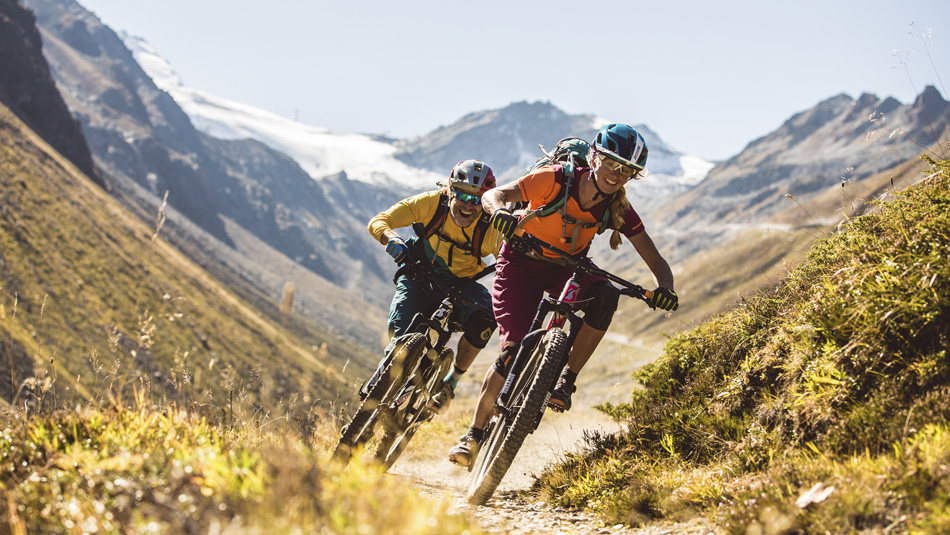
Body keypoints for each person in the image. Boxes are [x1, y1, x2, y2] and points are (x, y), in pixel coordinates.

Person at [448, 124, 680, 467]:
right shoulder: (554, 179)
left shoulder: (617, 208)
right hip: (520, 264)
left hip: (566, 267)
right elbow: (493, 197)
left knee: (606, 296)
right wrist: (499, 213)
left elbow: (656, 260)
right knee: (512, 352)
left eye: (626, 172)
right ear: (595, 157)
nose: (617, 176)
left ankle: (566, 380)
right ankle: (474, 435)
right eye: (612, 165)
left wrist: (666, 288)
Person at [365, 159, 504, 415]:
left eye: (477, 200)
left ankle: (450, 383)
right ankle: (387, 372)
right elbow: (379, 221)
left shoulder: (490, 227)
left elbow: (508, 263)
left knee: (486, 318)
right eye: (462, 195)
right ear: (449, 189)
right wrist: (391, 239)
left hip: (462, 284)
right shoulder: (430, 204)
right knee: (400, 334)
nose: (468, 206)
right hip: (419, 274)